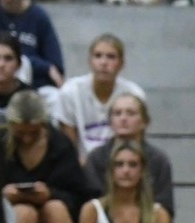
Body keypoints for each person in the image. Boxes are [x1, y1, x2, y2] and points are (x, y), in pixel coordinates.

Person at [0, 89, 94, 223]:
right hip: (10, 221)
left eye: (32, 132)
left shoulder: (60, 145)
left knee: (55, 208)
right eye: (20, 133)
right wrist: (3, 194)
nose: (26, 138)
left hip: (57, 221)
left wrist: (50, 194)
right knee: (24, 213)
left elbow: (79, 195)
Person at [55, 33, 146, 163]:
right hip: (82, 167)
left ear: (121, 64)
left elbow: (136, 142)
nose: (103, 63)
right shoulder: (70, 92)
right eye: (98, 56)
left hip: (120, 165)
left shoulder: (134, 94)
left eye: (111, 57)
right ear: (90, 61)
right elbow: (69, 148)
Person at [84, 93, 175, 219]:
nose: (123, 118)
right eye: (117, 113)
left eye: (131, 113)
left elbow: (165, 208)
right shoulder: (96, 158)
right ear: (110, 122)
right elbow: (90, 204)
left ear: (144, 122)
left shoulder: (159, 160)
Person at [0, 0, 64, 105]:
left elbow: (56, 63)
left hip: (37, 84)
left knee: (57, 98)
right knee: (16, 61)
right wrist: (45, 67)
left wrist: (49, 69)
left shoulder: (39, 15)